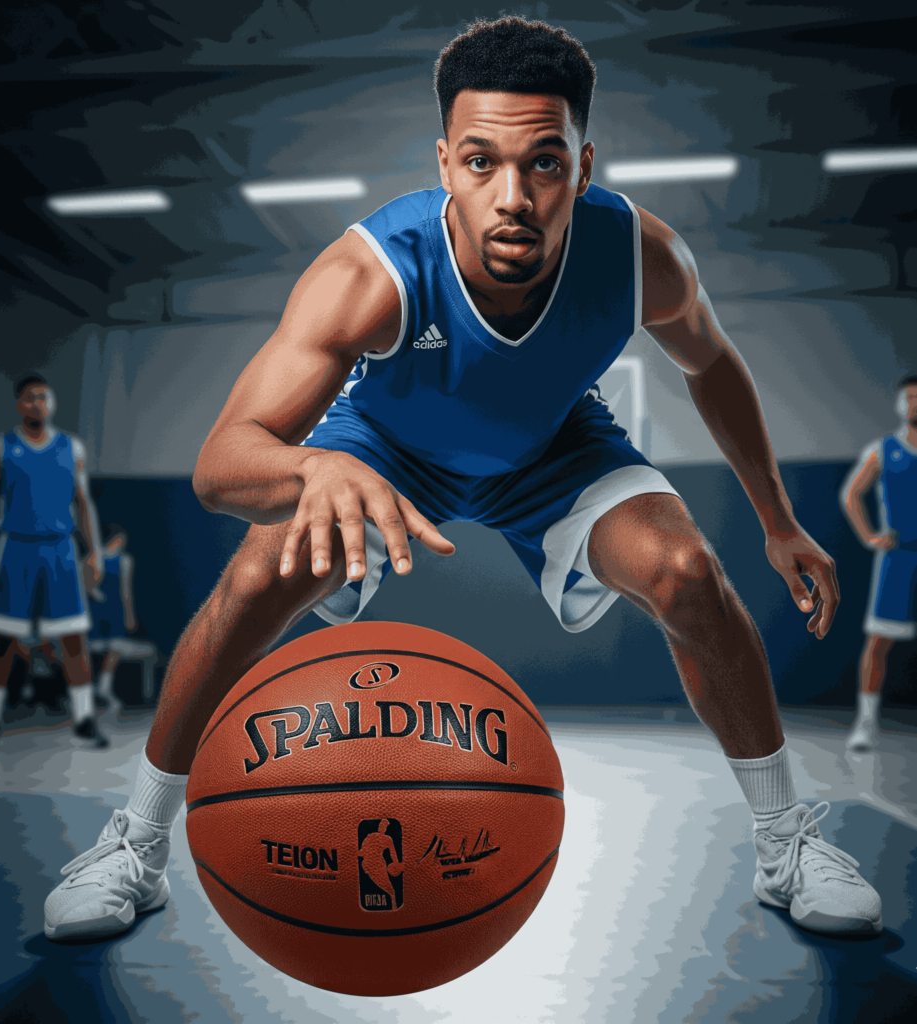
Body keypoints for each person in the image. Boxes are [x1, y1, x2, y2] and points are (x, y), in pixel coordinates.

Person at [43, 17, 882, 942]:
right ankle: (135, 845)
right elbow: (219, 464)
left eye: (544, 164)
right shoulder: (371, 273)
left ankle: (786, 846)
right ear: (444, 162)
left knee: (688, 574)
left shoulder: (639, 257)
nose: (511, 196)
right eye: (481, 163)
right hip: (384, 449)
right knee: (255, 577)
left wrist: (776, 520)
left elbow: (711, 364)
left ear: (584, 165)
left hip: (555, 449)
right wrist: (317, 463)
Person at [0, 373, 107, 751]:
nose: (38, 404)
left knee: (74, 638)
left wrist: (93, 549)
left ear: (53, 403)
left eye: (44, 397)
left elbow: (83, 503)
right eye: (30, 398)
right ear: (20, 404)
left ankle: (83, 719)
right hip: (15, 547)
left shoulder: (71, 447)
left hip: (61, 549)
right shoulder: (1, 446)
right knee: (2, 640)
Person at [840, 373, 917, 750]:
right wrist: (871, 536)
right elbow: (851, 494)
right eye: (909, 397)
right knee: (878, 643)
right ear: (899, 404)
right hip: (899, 557)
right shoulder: (884, 449)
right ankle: (865, 724)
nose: (914, 403)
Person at [87, 524, 158, 706]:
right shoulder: (111, 560)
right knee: (111, 648)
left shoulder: (105, 560)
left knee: (114, 649)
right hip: (102, 621)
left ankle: (103, 688)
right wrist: (129, 616)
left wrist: (128, 617)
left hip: (106, 621)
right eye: (120, 539)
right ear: (115, 539)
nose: (122, 543)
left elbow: (122, 592)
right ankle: (100, 688)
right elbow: (125, 593)